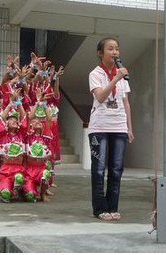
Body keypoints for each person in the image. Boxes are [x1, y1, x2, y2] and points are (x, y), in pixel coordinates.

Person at [88, 37, 134, 221]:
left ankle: (113, 207)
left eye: (117, 48)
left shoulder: (122, 76)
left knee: (116, 169)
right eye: (110, 49)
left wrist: (129, 128)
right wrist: (115, 78)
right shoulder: (96, 73)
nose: (115, 52)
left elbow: (126, 103)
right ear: (101, 53)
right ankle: (100, 209)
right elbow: (100, 97)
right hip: (99, 126)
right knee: (99, 169)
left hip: (119, 126)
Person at [0, 88, 27, 202]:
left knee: (19, 178)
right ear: (6, 124)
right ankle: (4, 190)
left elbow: (23, 118)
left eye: (15, 119)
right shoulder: (2, 134)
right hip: (5, 170)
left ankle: (18, 190)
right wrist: (9, 104)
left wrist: (18, 102)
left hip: (18, 169)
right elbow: (1, 118)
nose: (14, 120)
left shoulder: (22, 135)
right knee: (6, 195)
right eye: (11, 119)